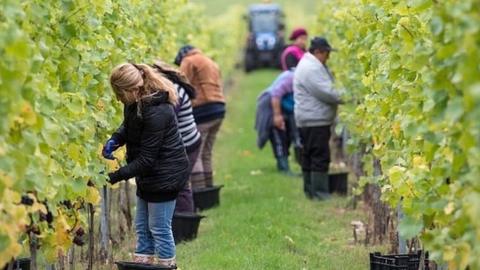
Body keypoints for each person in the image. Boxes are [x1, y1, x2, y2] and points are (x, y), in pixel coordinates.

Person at [103, 63, 189, 267]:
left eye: (120, 94)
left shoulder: (157, 111)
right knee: (142, 226)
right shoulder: (133, 101)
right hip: (150, 175)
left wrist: (114, 176)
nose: (118, 99)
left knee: (159, 227)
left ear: (133, 89)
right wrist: (115, 139)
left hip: (165, 176)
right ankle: (143, 265)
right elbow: (129, 125)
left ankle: (168, 266)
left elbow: (147, 159)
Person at [293, 37, 343, 200]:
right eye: (327, 53)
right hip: (315, 119)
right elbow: (328, 92)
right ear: (318, 52)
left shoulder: (309, 65)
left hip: (308, 117)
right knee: (319, 155)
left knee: (309, 155)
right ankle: (320, 193)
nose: (328, 57)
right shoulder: (311, 68)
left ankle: (310, 191)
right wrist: (350, 97)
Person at [152, 60, 201, 213]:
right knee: (180, 184)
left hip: (187, 145)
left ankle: (184, 224)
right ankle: (182, 222)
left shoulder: (175, 91)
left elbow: (167, 120)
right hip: (186, 143)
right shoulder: (171, 89)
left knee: (180, 185)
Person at [175, 45, 226, 189]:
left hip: (203, 109)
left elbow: (181, 84)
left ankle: (199, 192)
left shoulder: (188, 61)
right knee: (206, 151)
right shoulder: (210, 62)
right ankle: (209, 189)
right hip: (219, 109)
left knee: (195, 151)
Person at [255, 70, 301, 175]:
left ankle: (285, 164)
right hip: (270, 105)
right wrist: (277, 116)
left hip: (283, 106)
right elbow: (275, 94)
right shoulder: (291, 78)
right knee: (278, 133)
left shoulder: (300, 76)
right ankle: (283, 168)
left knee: (287, 135)